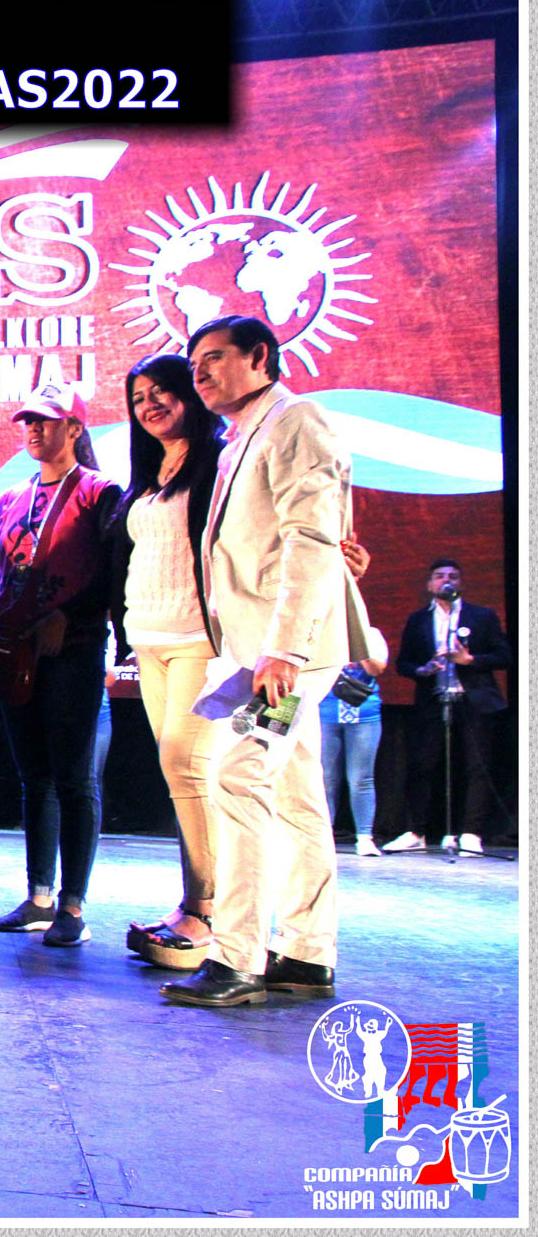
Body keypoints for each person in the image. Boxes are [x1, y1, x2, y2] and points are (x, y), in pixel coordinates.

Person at [162, 314, 373, 1007]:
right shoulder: (242, 437)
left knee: (238, 775)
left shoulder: (295, 421)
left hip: (287, 659)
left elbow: (310, 537)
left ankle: (236, 958)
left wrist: (285, 648)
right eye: (195, 362)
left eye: (215, 358)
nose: (200, 372)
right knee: (296, 796)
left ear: (260, 357)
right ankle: (308, 956)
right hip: (260, 653)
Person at [0, 380, 120, 949]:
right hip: (15, 651)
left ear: (75, 428)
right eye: (28, 421)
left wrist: (73, 614)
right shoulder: (10, 498)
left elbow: (115, 572)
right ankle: (38, 897)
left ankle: (73, 906)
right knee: (34, 777)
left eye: (47, 420)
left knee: (74, 778)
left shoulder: (100, 492)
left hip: (73, 651)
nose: (34, 429)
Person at [103, 353, 226, 970]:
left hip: (201, 638)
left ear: (189, 394)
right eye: (138, 397)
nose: (148, 405)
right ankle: (193, 903)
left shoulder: (220, 461)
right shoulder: (150, 471)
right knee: (180, 776)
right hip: (148, 640)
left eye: (160, 392)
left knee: (188, 766)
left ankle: (211, 914)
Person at [388, 558, 511, 854]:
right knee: (423, 765)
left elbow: (504, 657)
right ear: (430, 584)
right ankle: (417, 831)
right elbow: (404, 663)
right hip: (433, 700)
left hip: (473, 702)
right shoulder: (418, 619)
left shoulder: (482, 616)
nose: (447, 581)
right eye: (440, 576)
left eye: (453, 576)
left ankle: (470, 833)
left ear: (461, 583)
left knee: (476, 766)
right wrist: (423, 669)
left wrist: (470, 660)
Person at [322, 629, 390, 857]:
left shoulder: (370, 634)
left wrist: (358, 643)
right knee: (326, 778)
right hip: (326, 712)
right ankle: (323, 836)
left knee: (361, 778)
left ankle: (364, 837)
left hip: (364, 713)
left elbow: (376, 669)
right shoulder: (324, 631)